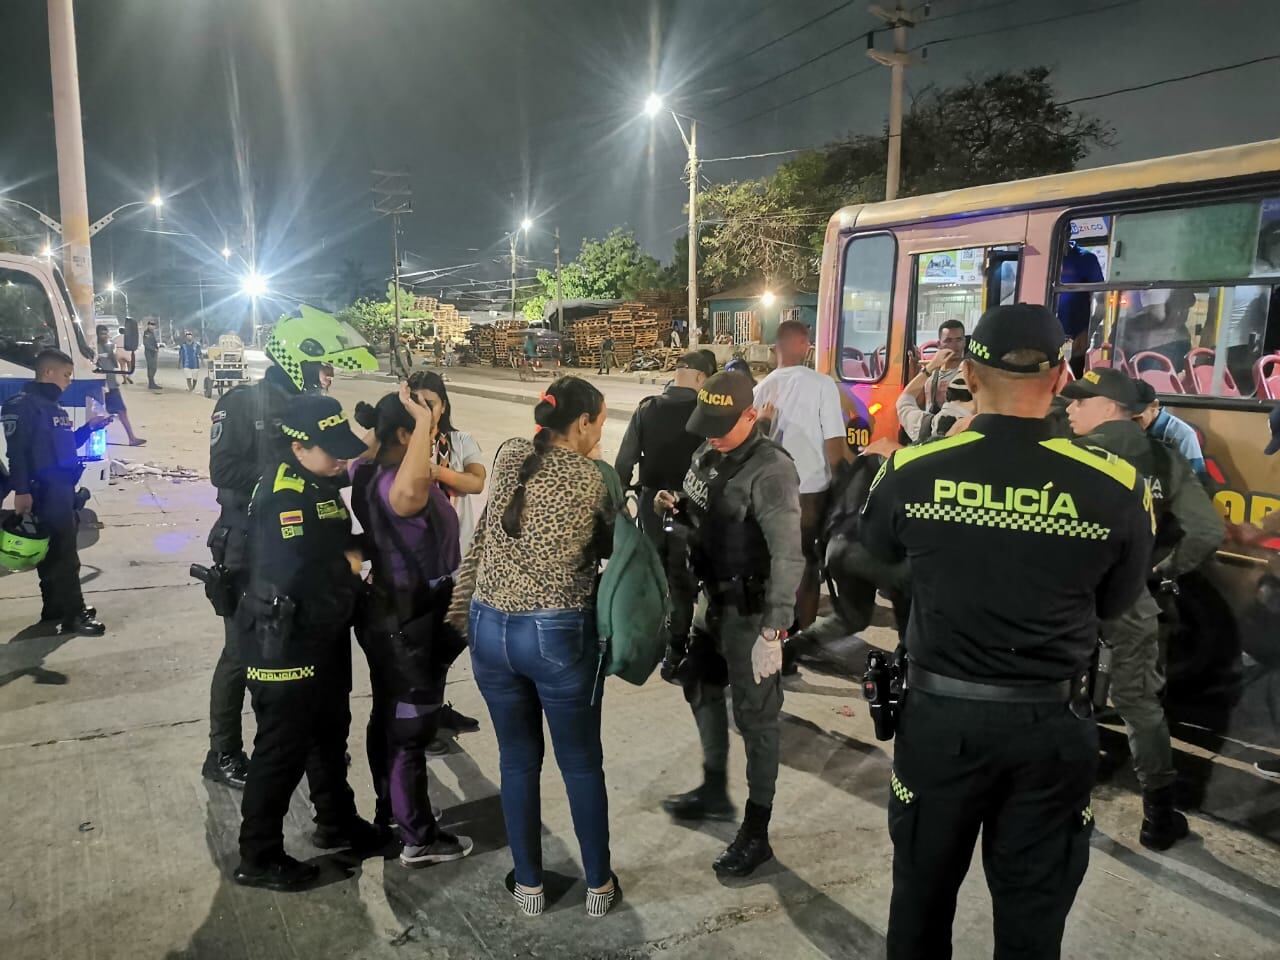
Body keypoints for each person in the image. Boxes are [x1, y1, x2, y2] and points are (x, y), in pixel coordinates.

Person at [859, 304, 1155, 959]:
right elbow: (1116, 602)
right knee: (1032, 921)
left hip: (940, 725)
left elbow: (872, 554)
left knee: (920, 902)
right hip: (1053, 730)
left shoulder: (914, 471)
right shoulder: (1116, 486)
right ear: (1060, 379)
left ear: (967, 373)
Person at [447, 376, 620, 918]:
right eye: (602, 418)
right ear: (586, 422)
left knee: (518, 761)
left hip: (489, 630)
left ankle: (528, 888)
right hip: (554, 634)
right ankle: (597, 887)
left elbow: (491, 532)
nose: (604, 428)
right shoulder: (596, 478)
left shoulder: (509, 454)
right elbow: (614, 550)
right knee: (581, 764)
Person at [202, 312, 376, 790]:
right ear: (296, 359)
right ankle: (224, 752)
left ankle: (311, 747)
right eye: (323, 368)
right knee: (243, 651)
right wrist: (287, 481)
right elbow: (222, 470)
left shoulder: (311, 407)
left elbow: (336, 471)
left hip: (300, 547)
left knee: (304, 648)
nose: (329, 377)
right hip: (247, 545)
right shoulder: (241, 402)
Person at [1062, 368, 1224, 849]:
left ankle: (1061, 800)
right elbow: (1208, 532)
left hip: (1065, 599)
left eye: (1080, 401)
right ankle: (1157, 818)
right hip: (1131, 599)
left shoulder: (1065, 453)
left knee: (1058, 694)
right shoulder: (1164, 456)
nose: (1069, 409)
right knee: (1139, 706)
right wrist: (1164, 571)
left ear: (1111, 408)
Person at [656, 371, 804, 878]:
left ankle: (757, 832)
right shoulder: (708, 454)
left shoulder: (772, 471)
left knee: (758, 722)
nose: (712, 434)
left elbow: (789, 556)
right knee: (698, 684)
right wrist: (674, 508)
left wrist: (775, 631)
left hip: (751, 615)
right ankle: (714, 788)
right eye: (707, 424)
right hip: (709, 602)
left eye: (723, 424)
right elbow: (703, 508)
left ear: (750, 414)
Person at [233, 394, 383, 891]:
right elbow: (296, 579)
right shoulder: (284, 496)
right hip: (286, 641)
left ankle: (336, 821)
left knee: (328, 735)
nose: (341, 459)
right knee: (281, 750)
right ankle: (258, 855)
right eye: (330, 450)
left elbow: (333, 543)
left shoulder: (316, 478)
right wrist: (353, 569)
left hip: (322, 637)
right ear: (298, 447)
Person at [350, 389, 474, 868]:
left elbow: (369, 449)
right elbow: (413, 486)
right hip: (409, 618)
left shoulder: (364, 468)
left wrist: (404, 421)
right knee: (409, 727)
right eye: (425, 429)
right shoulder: (400, 488)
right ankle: (417, 836)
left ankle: (394, 812)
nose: (436, 433)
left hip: (393, 611)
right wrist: (424, 424)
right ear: (406, 433)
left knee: (387, 716)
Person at [1, 349, 110, 636]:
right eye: (66, 375)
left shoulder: (54, 408)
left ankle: (54, 609)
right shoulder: (22, 406)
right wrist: (22, 492)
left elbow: (66, 445)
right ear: (47, 373)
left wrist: (90, 428)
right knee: (65, 556)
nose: (68, 382)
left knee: (53, 553)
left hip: (61, 490)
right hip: (44, 491)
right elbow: (18, 454)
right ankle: (75, 616)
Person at [751, 319, 847, 631]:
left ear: (775, 348)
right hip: (810, 491)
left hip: (769, 490)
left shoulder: (759, 389)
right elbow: (834, 446)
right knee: (806, 561)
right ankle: (800, 634)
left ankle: (771, 629)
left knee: (773, 559)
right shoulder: (822, 384)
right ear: (805, 346)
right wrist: (843, 486)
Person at [614, 351, 715, 542]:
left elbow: (625, 461)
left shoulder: (647, 408)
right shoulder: (706, 414)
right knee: (689, 561)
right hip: (692, 501)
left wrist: (621, 497)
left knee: (655, 559)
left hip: (651, 503)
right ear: (701, 376)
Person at [408, 370, 487, 563]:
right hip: (415, 555)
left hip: (458, 554)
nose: (424, 411)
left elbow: (476, 484)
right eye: (417, 404)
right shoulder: (400, 444)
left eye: (430, 404)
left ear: (443, 406)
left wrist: (438, 472)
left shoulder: (461, 442)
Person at [1136, 387, 1208, 479]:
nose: (1131, 423)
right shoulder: (1124, 427)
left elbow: (1196, 482)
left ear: (1154, 405)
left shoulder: (1183, 435)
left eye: (1137, 419)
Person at [96, 325, 145, 446]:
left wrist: (112, 354)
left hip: (112, 384)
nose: (105, 336)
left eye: (106, 333)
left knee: (121, 411)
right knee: (103, 413)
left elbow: (114, 364)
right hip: (102, 385)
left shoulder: (108, 347)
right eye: (102, 333)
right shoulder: (94, 349)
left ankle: (131, 437)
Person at [896, 370, 974, 443]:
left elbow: (903, 402)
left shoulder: (927, 428)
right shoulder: (981, 428)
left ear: (947, 395)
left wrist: (930, 367)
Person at [911, 319, 966, 413]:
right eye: (948, 341)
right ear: (939, 344)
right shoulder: (929, 372)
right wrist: (913, 368)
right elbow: (918, 403)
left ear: (964, 342)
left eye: (958, 340)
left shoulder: (969, 372)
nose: (954, 345)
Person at [143, 320, 160, 390]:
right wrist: (154, 349)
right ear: (148, 325)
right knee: (151, 368)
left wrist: (158, 346)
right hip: (149, 352)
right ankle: (151, 383)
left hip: (154, 352)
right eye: (151, 324)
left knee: (154, 368)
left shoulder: (152, 333)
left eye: (153, 324)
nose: (152, 326)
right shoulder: (147, 333)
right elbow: (146, 344)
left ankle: (152, 383)